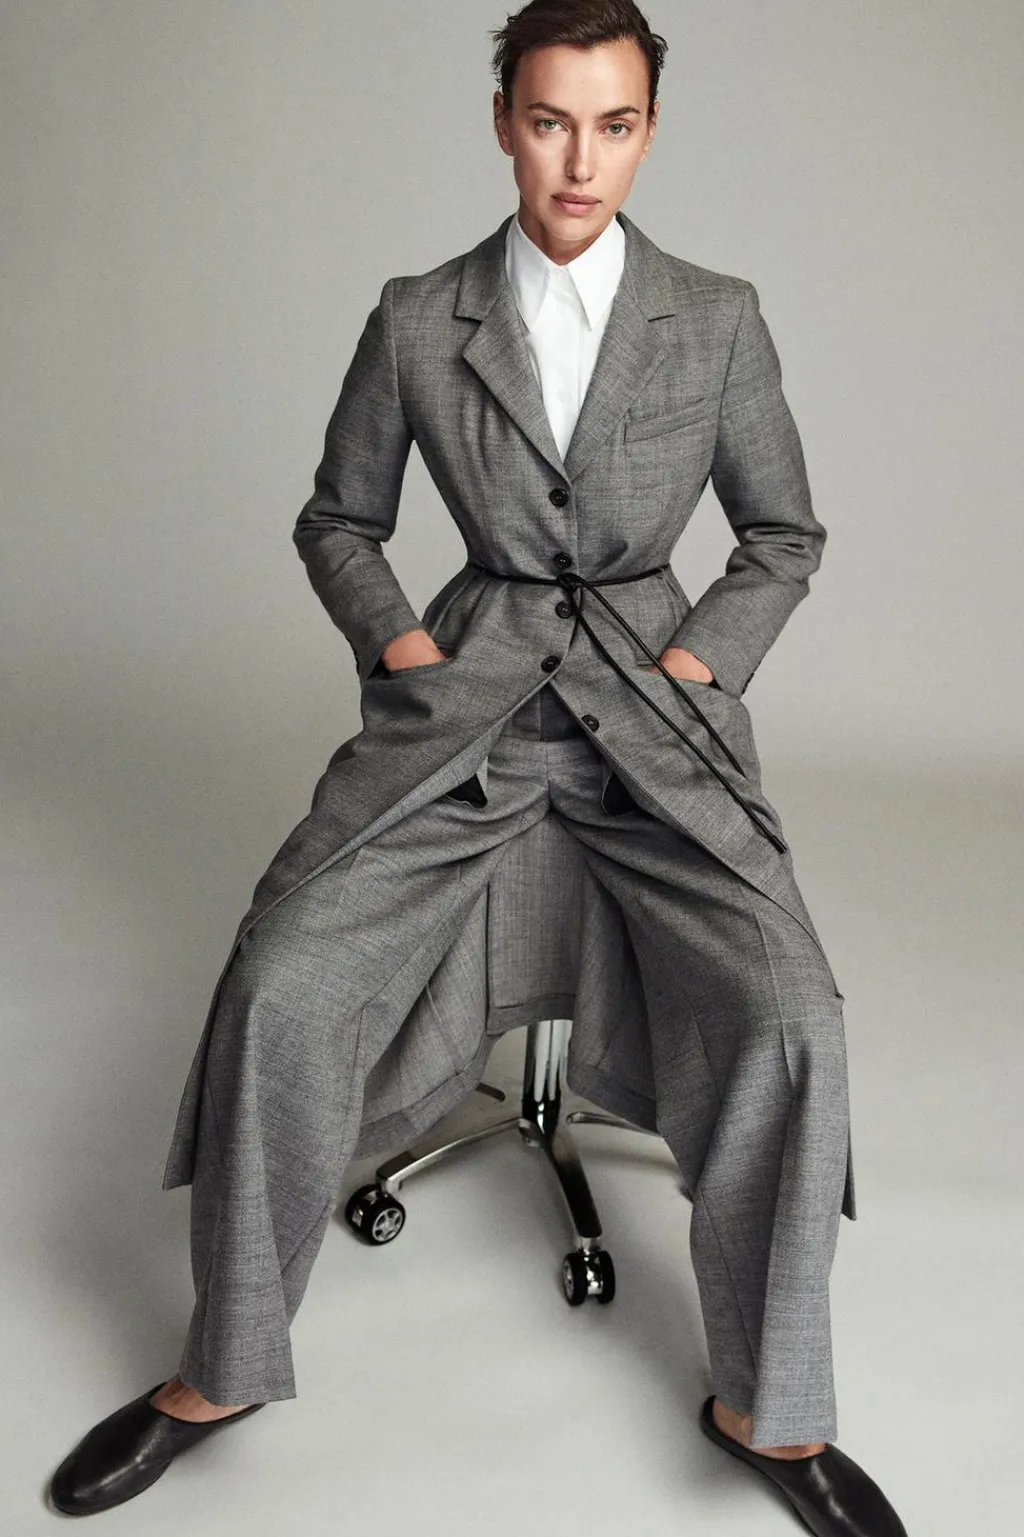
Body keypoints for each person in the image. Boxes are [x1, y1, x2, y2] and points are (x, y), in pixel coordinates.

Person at [48, 3, 907, 1532]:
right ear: (506, 121)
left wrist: (695, 667)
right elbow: (339, 519)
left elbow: (783, 534)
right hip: (466, 717)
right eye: (553, 120)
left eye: (616, 125)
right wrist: (402, 649)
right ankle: (221, 1367)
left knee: (795, 1018)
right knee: (283, 983)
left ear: (650, 132)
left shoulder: (717, 316)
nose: (582, 160)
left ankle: (768, 1412)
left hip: (658, 729)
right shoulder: (417, 315)